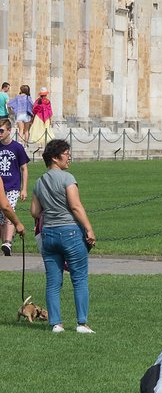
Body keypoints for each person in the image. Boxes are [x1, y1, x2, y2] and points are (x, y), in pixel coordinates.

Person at [34, 138, 95, 334]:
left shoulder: (39, 181)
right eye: (66, 154)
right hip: (70, 231)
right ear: (55, 157)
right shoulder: (68, 178)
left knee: (53, 281)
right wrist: (88, 229)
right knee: (79, 278)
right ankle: (82, 323)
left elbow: (35, 211)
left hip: (49, 234)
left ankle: (56, 323)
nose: (69, 158)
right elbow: (75, 206)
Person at [0, 115, 30, 257]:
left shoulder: (17, 148)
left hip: (12, 186)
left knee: (9, 212)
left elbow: (24, 168)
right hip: (1, 187)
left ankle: (8, 242)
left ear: (9, 131)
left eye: (1, 131)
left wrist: (24, 188)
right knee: (1, 217)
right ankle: (4, 242)